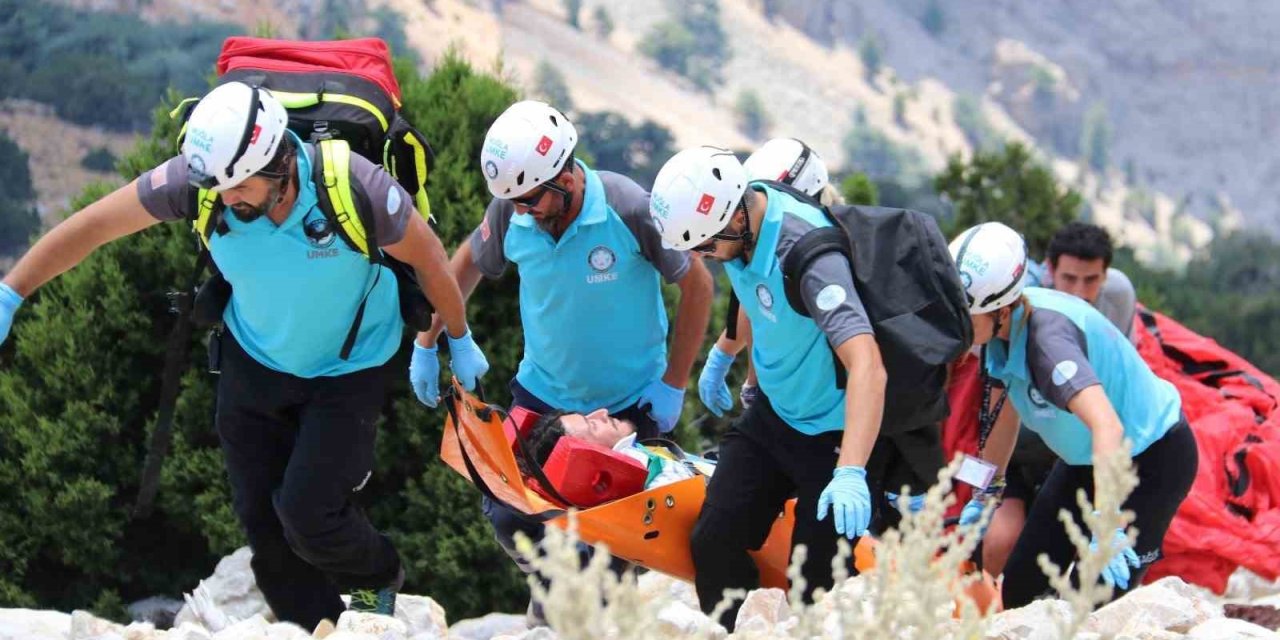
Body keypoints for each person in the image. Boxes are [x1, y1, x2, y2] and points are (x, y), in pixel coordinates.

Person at [0, 82, 489, 629]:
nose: (226, 200)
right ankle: (315, 627)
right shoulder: (205, 183)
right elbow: (91, 227)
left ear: (279, 163)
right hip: (252, 363)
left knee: (308, 514)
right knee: (265, 532)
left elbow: (429, 260)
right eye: (218, 188)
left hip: (348, 372)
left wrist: (453, 339)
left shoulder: (352, 184)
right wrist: (11, 293)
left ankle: (377, 581)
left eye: (239, 188)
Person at [419, 100, 712, 620]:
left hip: (628, 406)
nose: (522, 211)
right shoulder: (512, 211)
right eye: (515, 202)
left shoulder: (628, 207)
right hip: (543, 393)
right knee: (509, 516)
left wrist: (673, 384)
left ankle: (581, 619)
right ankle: (553, 602)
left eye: (531, 199)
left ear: (566, 177)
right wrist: (429, 341)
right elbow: (460, 269)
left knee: (607, 541)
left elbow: (699, 285)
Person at [652, 146, 944, 630]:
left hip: (834, 436)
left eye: (705, 247)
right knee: (713, 540)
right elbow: (754, 286)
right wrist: (727, 355)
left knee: (818, 586)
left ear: (735, 218)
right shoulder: (744, 220)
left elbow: (868, 365)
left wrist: (851, 470)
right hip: (774, 417)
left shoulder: (810, 256)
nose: (702, 258)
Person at [949, 222, 1197, 608]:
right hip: (1085, 458)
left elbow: (1106, 425)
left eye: (967, 317)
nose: (958, 327)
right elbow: (1003, 415)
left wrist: (1108, 520)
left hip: (1152, 457)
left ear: (1000, 308)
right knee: (1020, 592)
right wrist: (986, 492)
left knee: (1094, 600)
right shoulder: (999, 332)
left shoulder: (1048, 344)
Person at [984, 221, 1140, 576]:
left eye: (1091, 280)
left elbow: (1117, 375)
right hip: (1024, 443)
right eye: (1069, 278)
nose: (1080, 292)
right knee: (1000, 542)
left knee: (1083, 561)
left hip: (1082, 443)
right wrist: (983, 487)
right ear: (1049, 270)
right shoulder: (1022, 303)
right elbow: (1001, 397)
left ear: (1106, 274)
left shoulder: (1118, 295)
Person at [703, 137, 831, 412]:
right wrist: (722, 354)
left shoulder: (813, 255)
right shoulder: (748, 232)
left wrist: (752, 383)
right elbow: (753, 303)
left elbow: (771, 321)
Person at [521, 409, 703, 490]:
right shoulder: (655, 484)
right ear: (589, 457)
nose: (603, 412)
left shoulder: (645, 463)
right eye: (592, 424)